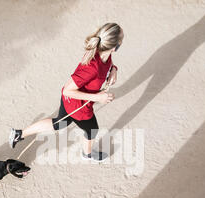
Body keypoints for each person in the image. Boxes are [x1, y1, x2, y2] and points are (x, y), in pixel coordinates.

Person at [9, 22, 123, 162]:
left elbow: (108, 64)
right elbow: (68, 90)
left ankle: (19, 134)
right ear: (115, 47)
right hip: (77, 107)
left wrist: (113, 70)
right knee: (92, 130)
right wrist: (97, 97)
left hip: (71, 103)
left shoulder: (104, 53)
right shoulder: (93, 67)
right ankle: (87, 154)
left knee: (59, 123)